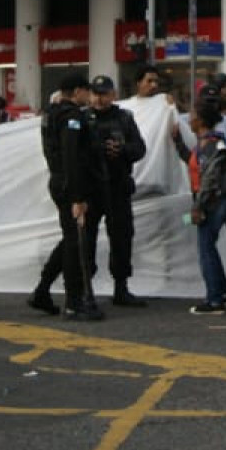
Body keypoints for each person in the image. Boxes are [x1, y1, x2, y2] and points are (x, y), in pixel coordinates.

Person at [28, 73, 103, 320]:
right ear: (78, 91)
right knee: (75, 244)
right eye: (86, 91)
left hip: (60, 181)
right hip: (71, 185)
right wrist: (77, 197)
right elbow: (72, 156)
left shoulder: (51, 113)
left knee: (70, 238)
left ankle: (42, 290)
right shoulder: (71, 117)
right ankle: (74, 301)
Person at [82, 75, 148, 306]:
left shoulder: (124, 118)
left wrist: (121, 150)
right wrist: (100, 149)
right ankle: (85, 289)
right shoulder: (82, 119)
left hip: (118, 186)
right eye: (96, 94)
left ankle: (121, 287)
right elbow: (75, 152)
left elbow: (140, 149)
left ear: (113, 95)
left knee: (122, 238)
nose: (99, 99)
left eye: (104, 94)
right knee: (86, 239)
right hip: (91, 189)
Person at [188, 99, 226, 315]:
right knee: (209, 246)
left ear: (199, 120)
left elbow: (208, 178)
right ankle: (222, 290)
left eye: (191, 115)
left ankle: (214, 299)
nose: (188, 119)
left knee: (206, 248)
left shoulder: (209, 146)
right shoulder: (207, 144)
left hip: (212, 202)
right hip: (216, 201)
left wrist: (199, 206)